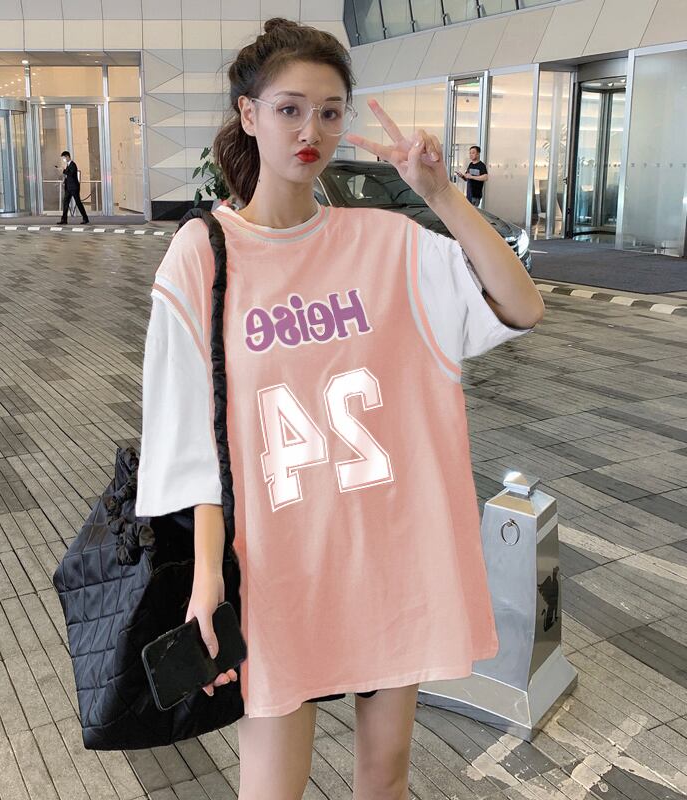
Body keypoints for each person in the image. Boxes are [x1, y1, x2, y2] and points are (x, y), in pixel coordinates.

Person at [135, 17, 544, 800]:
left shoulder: (387, 244)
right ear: (249, 114)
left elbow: (522, 305)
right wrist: (207, 576)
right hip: (278, 567)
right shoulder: (205, 253)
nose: (311, 131)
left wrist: (441, 194)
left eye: (329, 112)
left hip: (390, 558)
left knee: (384, 778)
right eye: (289, 109)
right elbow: (192, 436)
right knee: (272, 788)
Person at [59, 150, 89, 224]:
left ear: (67, 157)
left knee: (78, 203)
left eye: (64, 158)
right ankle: (64, 220)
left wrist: (63, 170)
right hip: (68, 188)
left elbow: (71, 173)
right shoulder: (68, 165)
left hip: (74, 188)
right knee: (65, 203)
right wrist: (64, 181)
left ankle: (85, 218)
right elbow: (68, 176)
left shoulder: (73, 164)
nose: (63, 159)